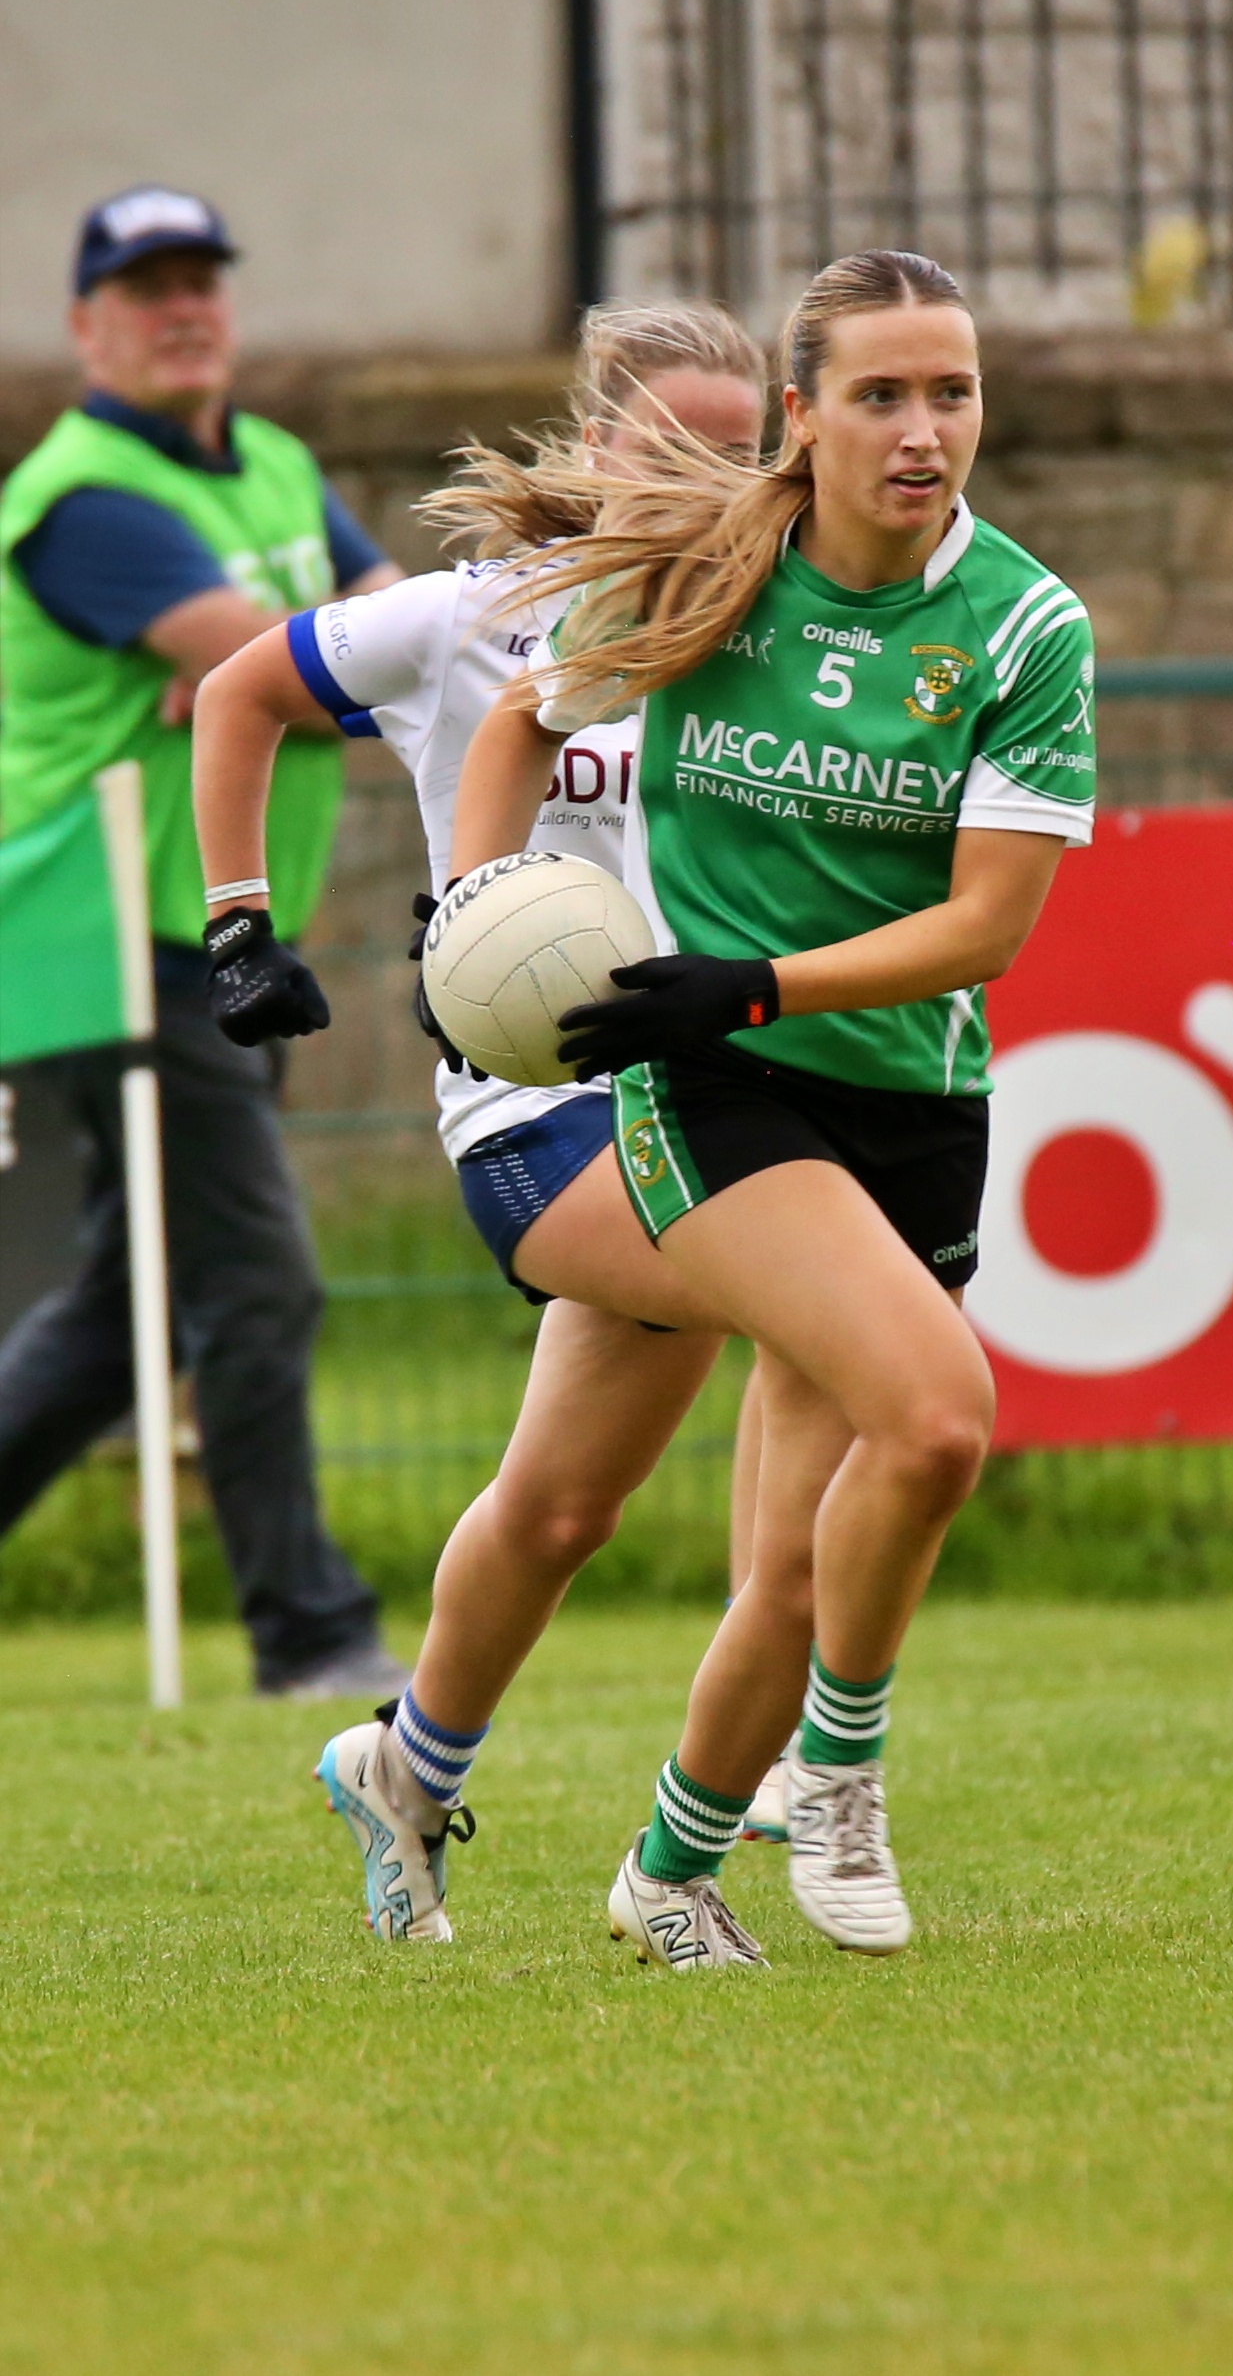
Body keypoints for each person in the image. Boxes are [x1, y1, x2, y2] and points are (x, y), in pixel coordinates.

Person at [448, 249, 1096, 1968]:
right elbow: (516, 725)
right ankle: (844, 1771)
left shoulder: (1023, 625)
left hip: (906, 1099)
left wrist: (751, 978)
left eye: (951, 392)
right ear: (801, 416)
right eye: (880, 395)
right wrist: (469, 919)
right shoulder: (714, 569)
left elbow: (985, 930)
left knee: (802, 1566)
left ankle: (668, 1870)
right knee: (939, 1422)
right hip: (716, 1089)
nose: (921, 430)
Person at [192, 301, 786, 1937]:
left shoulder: (769, 631)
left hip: (697, 1094)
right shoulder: (471, 619)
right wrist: (239, 927)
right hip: (533, 1119)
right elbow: (236, 692)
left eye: (743, 449)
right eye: (673, 444)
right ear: (596, 445)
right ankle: (781, 1758)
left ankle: (404, 1766)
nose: (713, 478)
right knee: (828, 1312)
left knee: (559, 1508)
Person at [0, 185, 406, 1697]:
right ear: (85, 326)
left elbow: (400, 642)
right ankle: (312, 1636)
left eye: (201, 281)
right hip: (115, 943)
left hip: (220, 939)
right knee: (258, 1281)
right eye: (146, 287)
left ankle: (304, 1626)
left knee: (130, 1313)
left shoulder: (280, 463)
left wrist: (267, 671)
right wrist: (285, 669)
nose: (183, 309)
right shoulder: (84, 496)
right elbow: (327, 665)